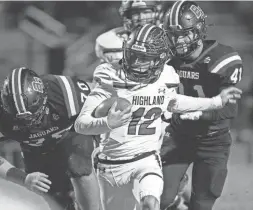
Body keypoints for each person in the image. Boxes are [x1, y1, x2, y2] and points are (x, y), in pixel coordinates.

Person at [74, 24, 241, 210]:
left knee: (151, 203)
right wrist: (106, 123)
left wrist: (216, 102)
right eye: (133, 55)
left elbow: (175, 101)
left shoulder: (166, 76)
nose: (136, 62)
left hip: (147, 159)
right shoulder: (109, 76)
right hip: (112, 163)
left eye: (144, 58)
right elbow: (81, 125)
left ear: (159, 60)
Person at [160, 1, 243, 210]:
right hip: (178, 136)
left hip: (213, 141)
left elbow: (229, 109)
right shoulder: (168, 60)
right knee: (160, 197)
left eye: (183, 34)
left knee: (202, 204)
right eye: (173, 34)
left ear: (199, 30)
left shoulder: (222, 58)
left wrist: (197, 114)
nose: (177, 40)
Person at [0, 67, 100, 210]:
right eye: (20, 119)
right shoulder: (2, 118)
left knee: (79, 167)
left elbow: (101, 98)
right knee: (50, 194)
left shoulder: (62, 92)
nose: (28, 124)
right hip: (36, 150)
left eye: (33, 116)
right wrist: (23, 178)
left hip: (69, 134)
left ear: (44, 98)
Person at [95, 0, 165, 64]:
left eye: (146, 12)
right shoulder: (114, 41)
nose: (141, 18)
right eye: (135, 13)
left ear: (157, 13)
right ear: (128, 17)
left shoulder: (169, 37)